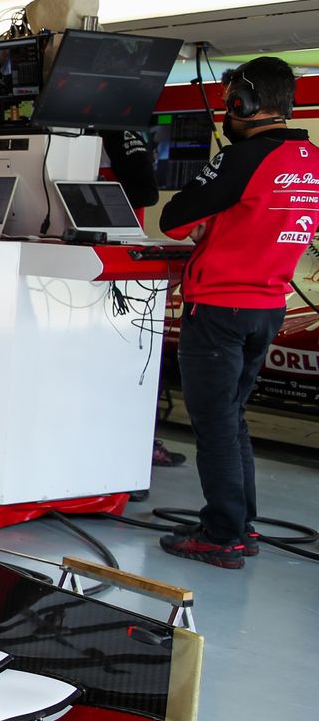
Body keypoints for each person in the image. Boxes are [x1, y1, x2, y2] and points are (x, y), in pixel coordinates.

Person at [157, 57, 317, 569]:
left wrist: (209, 220)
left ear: (244, 103)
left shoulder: (243, 157)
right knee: (232, 418)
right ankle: (239, 526)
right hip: (268, 308)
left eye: (230, 102)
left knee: (216, 426)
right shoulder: (311, 159)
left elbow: (174, 219)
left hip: (220, 309)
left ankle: (222, 536)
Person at [100, 128, 185, 468]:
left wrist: (92, 194)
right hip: (75, 256)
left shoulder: (119, 133)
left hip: (123, 263)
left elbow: (147, 192)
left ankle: (138, 448)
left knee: (132, 360)